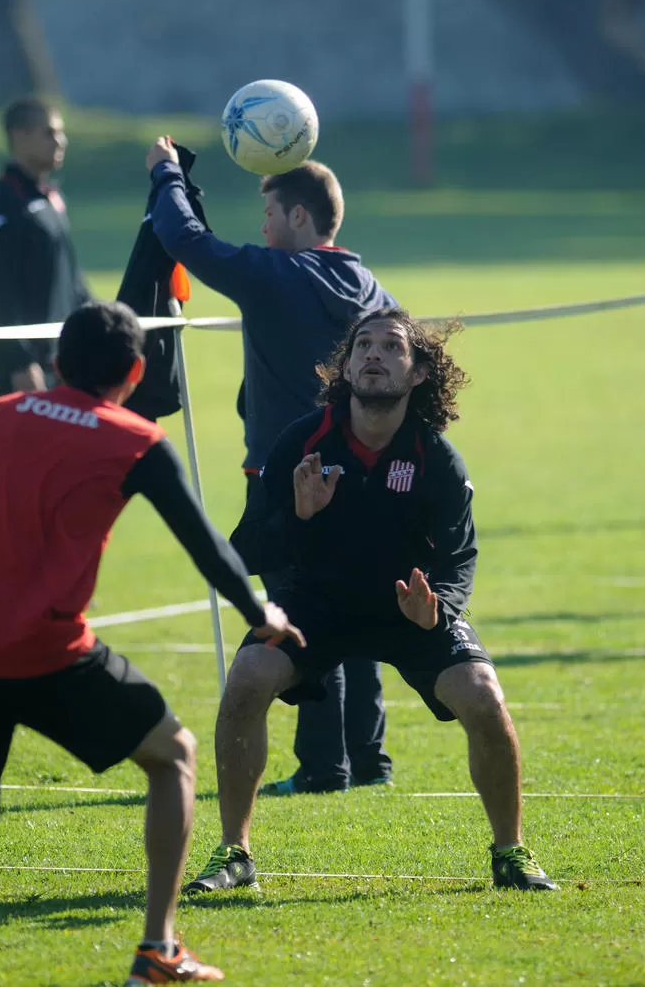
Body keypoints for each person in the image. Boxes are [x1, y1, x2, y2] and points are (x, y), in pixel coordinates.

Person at [0, 300, 304, 985]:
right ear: (134, 371)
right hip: (49, 654)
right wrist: (261, 610)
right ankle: (158, 950)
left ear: (59, 362)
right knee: (174, 755)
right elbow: (207, 546)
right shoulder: (135, 440)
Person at [183, 307, 557, 894]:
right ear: (347, 366)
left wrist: (440, 609)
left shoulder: (437, 459)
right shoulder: (300, 441)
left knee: (484, 697)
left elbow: (459, 558)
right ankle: (235, 853)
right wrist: (299, 517)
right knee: (248, 677)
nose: (374, 355)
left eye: (391, 347)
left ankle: (510, 853)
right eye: (363, 346)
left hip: (408, 608)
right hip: (314, 606)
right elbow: (246, 548)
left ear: (416, 374)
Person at [144, 139, 396, 795]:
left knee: (303, 611)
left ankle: (321, 767)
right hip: (360, 472)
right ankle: (368, 759)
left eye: (271, 213)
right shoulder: (369, 286)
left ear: (302, 220)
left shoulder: (276, 274)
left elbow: (185, 238)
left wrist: (166, 172)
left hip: (294, 480)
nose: (262, 228)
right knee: (360, 607)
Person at [0, 98, 91, 396]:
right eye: (50, 133)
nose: (61, 141)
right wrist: (18, 361)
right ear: (19, 135)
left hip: (66, 360)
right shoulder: (3, 203)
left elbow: (72, 280)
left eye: (61, 133)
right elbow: (0, 290)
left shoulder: (51, 199)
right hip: (30, 369)